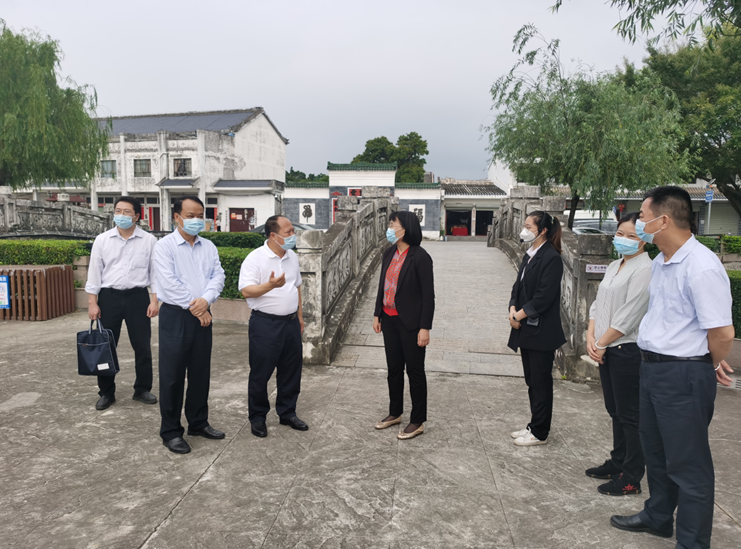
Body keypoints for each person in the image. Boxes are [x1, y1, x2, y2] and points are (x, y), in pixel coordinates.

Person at [610, 186, 735, 548]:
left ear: (663, 221)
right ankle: (659, 515)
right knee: (656, 452)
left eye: (643, 217)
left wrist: (706, 362)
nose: (639, 224)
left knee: (688, 464)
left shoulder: (701, 266)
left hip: (682, 375)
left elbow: (722, 332)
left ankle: (692, 542)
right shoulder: (664, 262)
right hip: (652, 369)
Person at [585, 212, 652, 496]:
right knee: (615, 410)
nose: (623, 239)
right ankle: (618, 462)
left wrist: (601, 343)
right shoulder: (615, 265)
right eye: (620, 234)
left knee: (630, 415)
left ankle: (632, 477)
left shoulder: (645, 269)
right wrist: (591, 336)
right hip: (606, 346)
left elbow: (629, 315)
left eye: (631, 236)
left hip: (626, 349)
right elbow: (597, 304)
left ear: (644, 239)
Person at [153, 196, 226, 454]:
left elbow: (218, 275)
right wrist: (196, 308)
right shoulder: (164, 246)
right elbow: (168, 282)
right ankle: (171, 431)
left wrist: (206, 301)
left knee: (199, 373)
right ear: (177, 217)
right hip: (176, 315)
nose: (197, 220)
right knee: (172, 376)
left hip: (203, 313)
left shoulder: (209, 246)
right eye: (190, 215)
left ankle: (198, 422)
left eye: (200, 215)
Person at [85, 196, 159, 410]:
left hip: (138, 297)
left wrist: (155, 300)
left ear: (136, 216)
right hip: (109, 298)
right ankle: (106, 392)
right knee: (106, 346)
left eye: (127, 212)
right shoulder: (103, 240)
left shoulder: (149, 240)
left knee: (142, 346)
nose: (121, 215)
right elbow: (94, 272)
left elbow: (155, 273)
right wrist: (92, 303)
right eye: (118, 211)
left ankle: (142, 389)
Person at [239, 215, 307, 438]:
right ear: (273, 235)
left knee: (291, 370)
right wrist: (270, 285)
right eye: (288, 232)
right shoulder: (255, 258)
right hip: (265, 324)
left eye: (293, 231)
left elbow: (296, 287)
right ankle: (258, 417)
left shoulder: (292, 256)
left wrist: (299, 316)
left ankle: (287, 412)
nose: (293, 235)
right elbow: (246, 291)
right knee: (261, 372)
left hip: (290, 323)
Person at [373, 211, 435, 440]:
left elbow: (428, 296)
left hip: (411, 323)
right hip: (389, 320)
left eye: (393, 224)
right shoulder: (389, 253)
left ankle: (417, 420)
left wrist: (424, 327)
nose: (390, 228)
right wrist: (377, 314)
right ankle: (395, 412)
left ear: (405, 228)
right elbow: (382, 285)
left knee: (415, 371)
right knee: (394, 369)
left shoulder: (420, 257)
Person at [507, 211, 566, 447]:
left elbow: (543, 297)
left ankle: (540, 432)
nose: (524, 230)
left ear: (542, 231)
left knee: (541, 383)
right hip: (526, 329)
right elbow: (517, 286)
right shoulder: (530, 254)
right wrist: (512, 307)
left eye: (529, 227)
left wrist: (518, 315)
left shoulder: (551, 258)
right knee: (532, 380)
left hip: (541, 332)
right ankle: (534, 424)